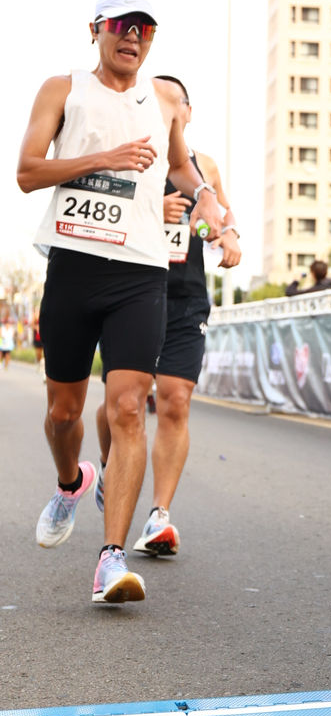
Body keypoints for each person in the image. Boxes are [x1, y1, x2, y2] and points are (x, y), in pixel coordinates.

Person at [16, 0, 222, 605]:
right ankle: (70, 482)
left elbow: (181, 168)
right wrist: (105, 159)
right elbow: (27, 172)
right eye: (121, 25)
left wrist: (209, 202)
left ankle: (111, 559)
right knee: (64, 413)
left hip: (140, 273)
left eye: (144, 29)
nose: (132, 36)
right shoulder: (63, 89)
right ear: (96, 30)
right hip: (74, 267)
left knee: (129, 407)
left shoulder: (164, 100)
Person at [94, 74, 241, 555]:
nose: (168, 108)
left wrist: (228, 236)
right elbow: (101, 206)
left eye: (177, 101)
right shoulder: (131, 153)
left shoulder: (205, 165)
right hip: (132, 290)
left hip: (185, 297)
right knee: (122, 405)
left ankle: (159, 516)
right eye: (160, 100)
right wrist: (153, 208)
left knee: (175, 401)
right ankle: (110, 464)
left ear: (187, 113)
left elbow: (222, 214)